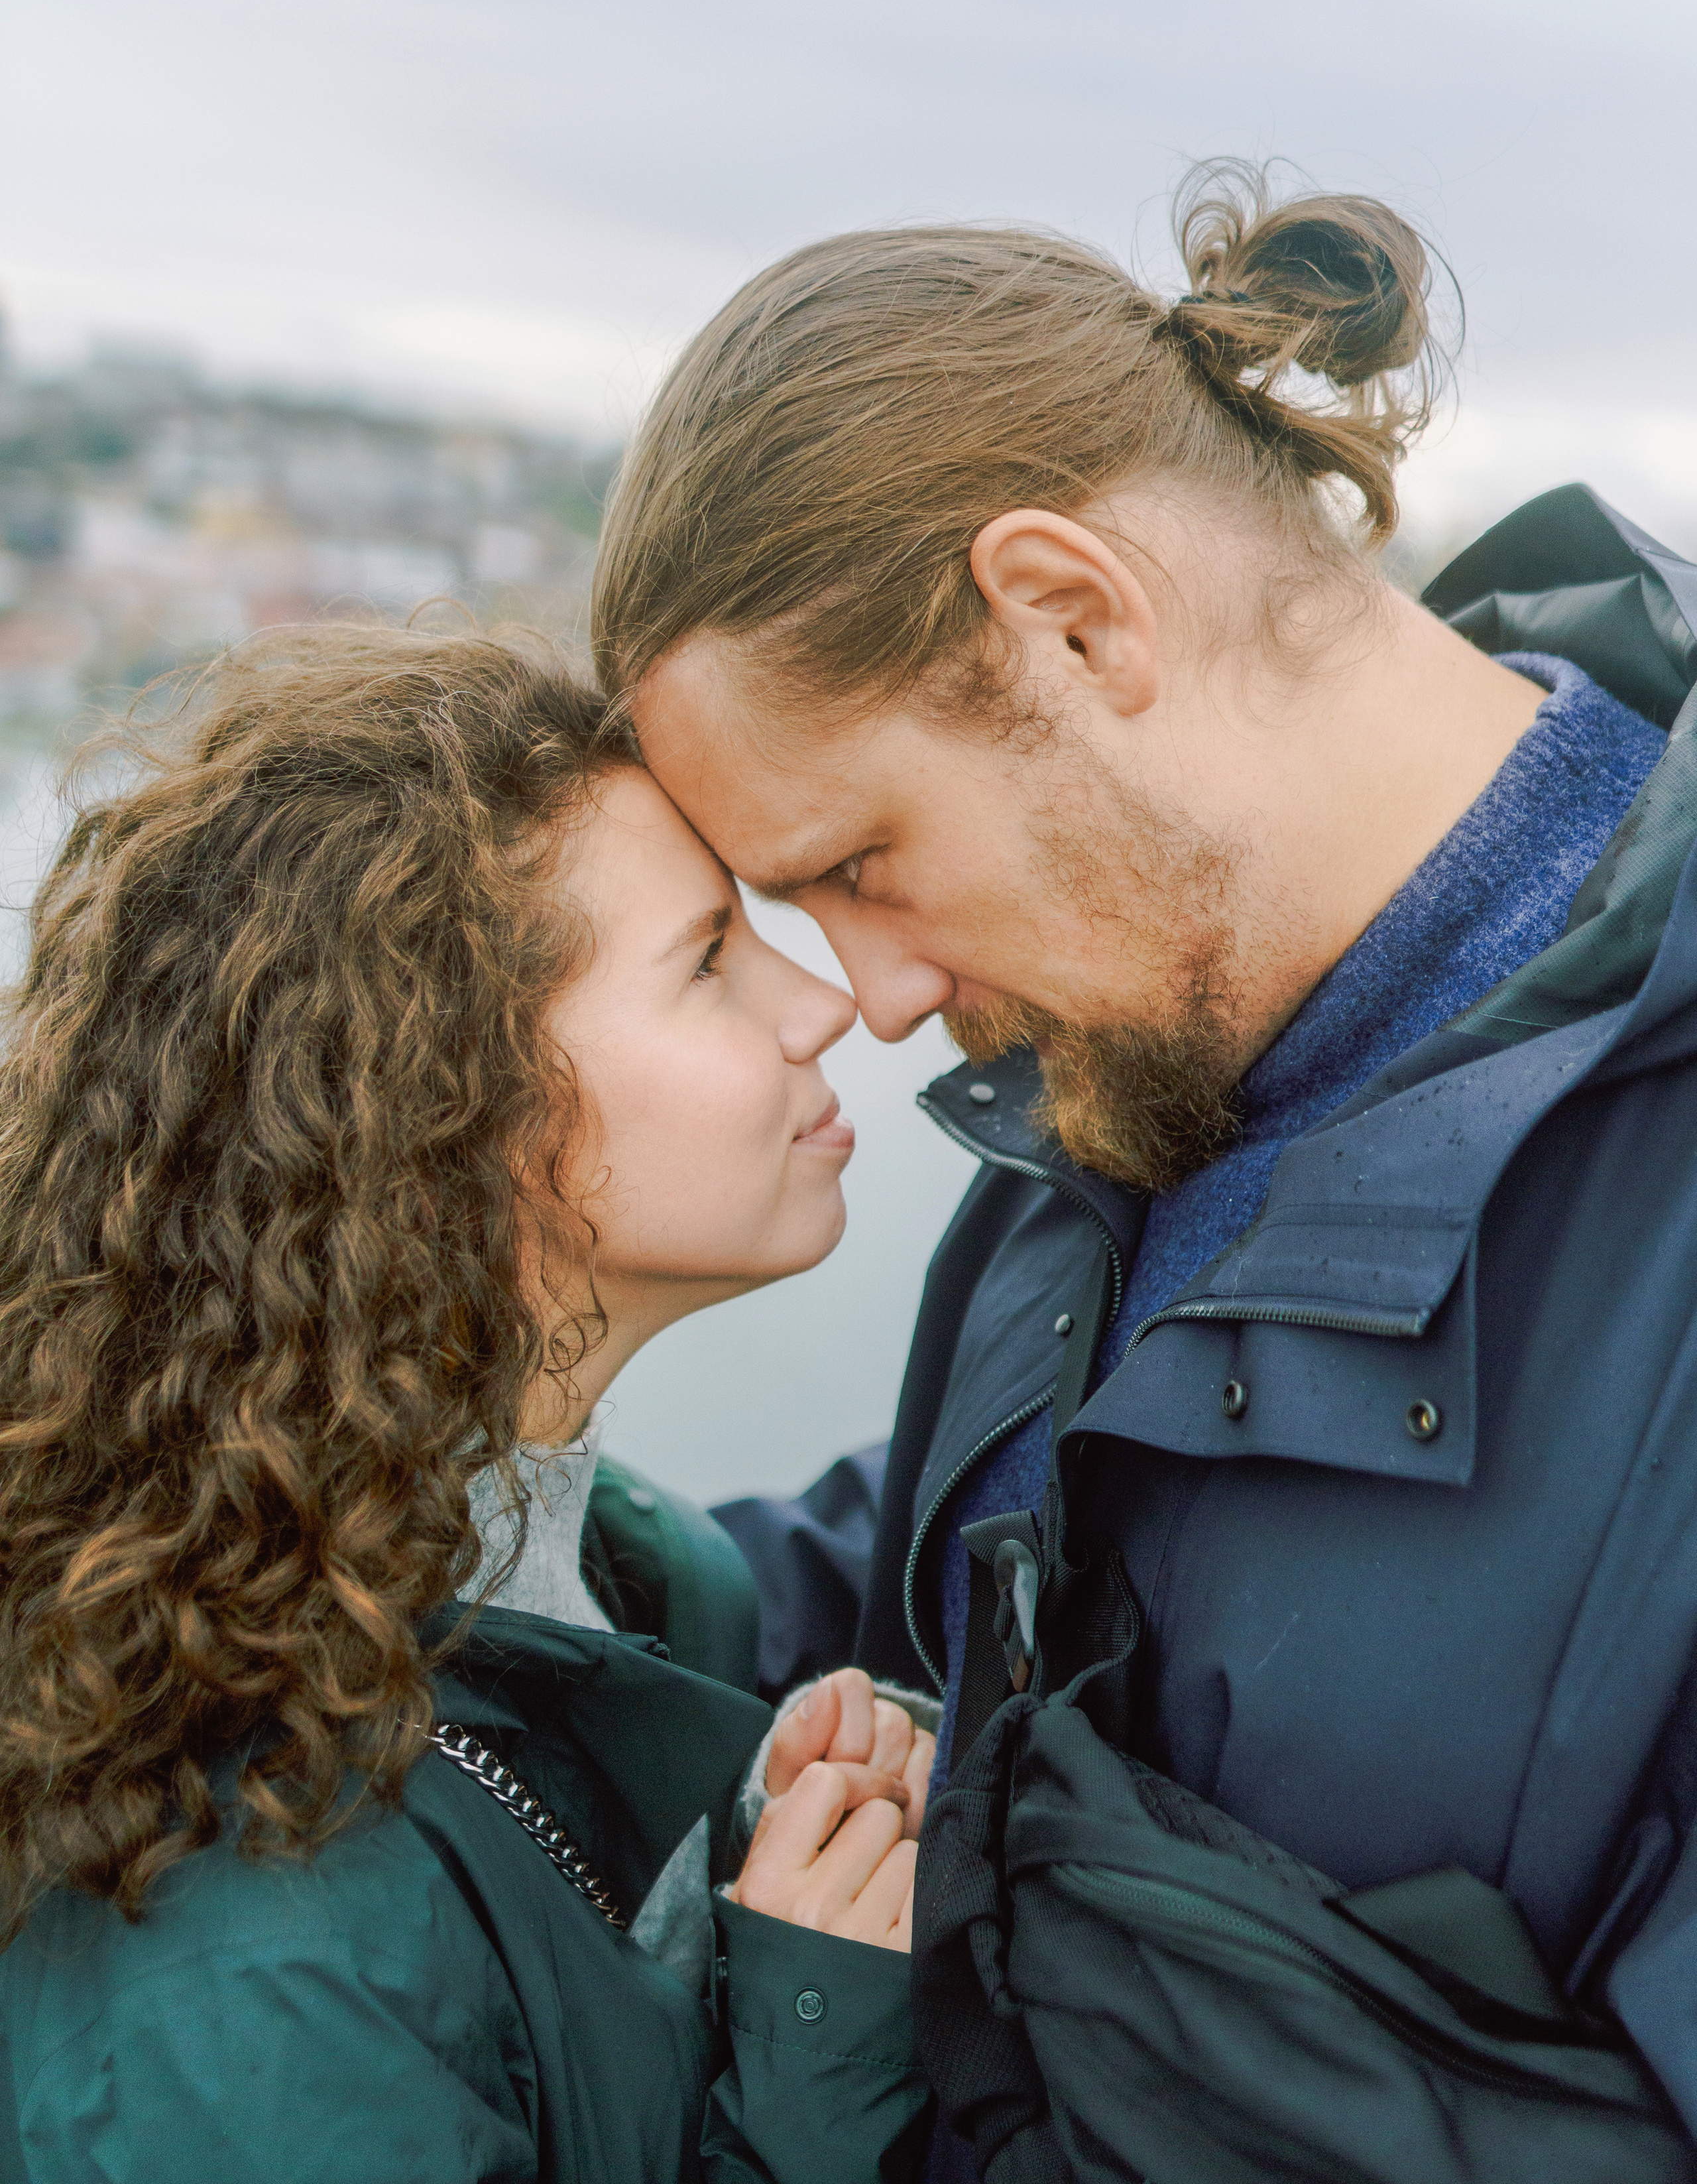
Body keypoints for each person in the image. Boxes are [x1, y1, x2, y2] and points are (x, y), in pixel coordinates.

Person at [591, 166, 1697, 2177]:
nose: (887, 998)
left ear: (1075, 616)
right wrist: (408, 1570)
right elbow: (989, 1580)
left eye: (858, 865)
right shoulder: (1136, 1045)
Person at [0, 625, 936, 2184]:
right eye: (708, 959)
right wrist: (811, 2054)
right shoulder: (245, 1961)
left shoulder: (603, 1581)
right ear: (447, 1109)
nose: (818, 1005)